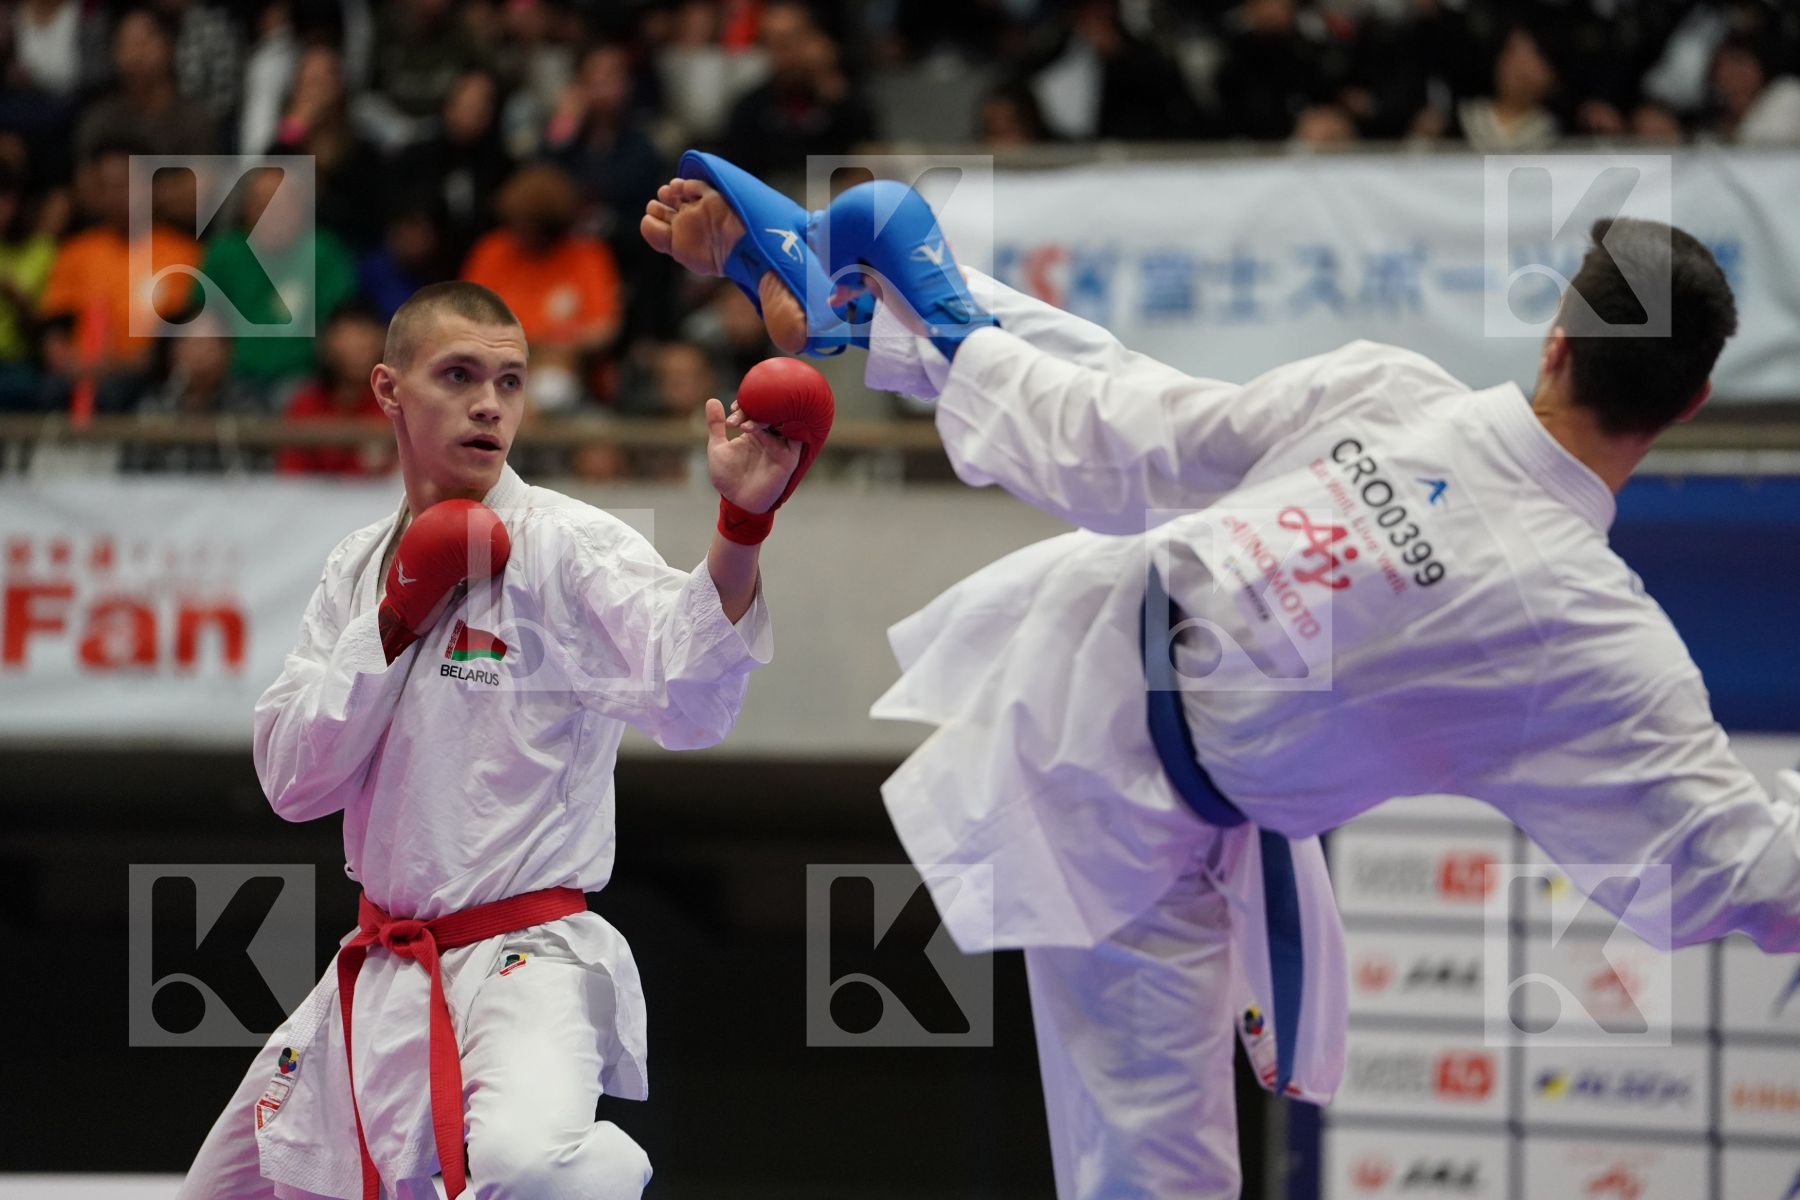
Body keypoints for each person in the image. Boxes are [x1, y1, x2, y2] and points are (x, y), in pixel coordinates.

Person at [643, 168, 1800, 1199]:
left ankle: (888, 299)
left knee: (1138, 414)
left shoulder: (1396, 394)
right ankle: (891, 301)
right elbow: (1731, 869)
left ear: (1554, 341)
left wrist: (913, 316)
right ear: (1689, 404)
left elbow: (1130, 432)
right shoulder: (1591, 634)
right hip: (1130, 805)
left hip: (1118, 721)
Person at [174, 280, 834, 1199]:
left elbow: (691, 701)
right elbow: (293, 781)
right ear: (388, 390)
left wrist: (741, 527)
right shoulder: (357, 565)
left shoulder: (565, 545)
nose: (491, 403)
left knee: (535, 1165)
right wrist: (396, 618)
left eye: (512, 381)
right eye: (459, 375)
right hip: (380, 968)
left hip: (523, 959)